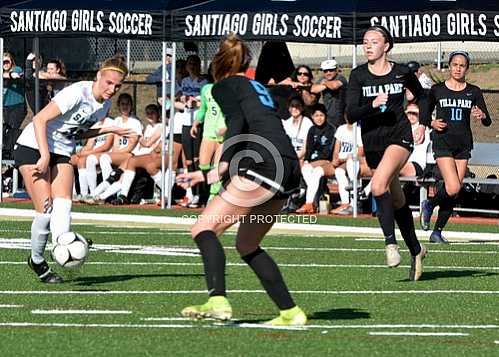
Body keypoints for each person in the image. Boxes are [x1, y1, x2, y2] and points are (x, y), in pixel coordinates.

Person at [176, 34, 307, 326]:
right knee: (247, 245)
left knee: (203, 227)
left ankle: (217, 300)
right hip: (287, 166)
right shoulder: (257, 85)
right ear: (246, 62)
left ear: (217, 64)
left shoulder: (223, 86)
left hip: (263, 164)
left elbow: (236, 123)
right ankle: (290, 312)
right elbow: (255, 122)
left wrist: (219, 168)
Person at [13, 55, 131, 283]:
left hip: (61, 150)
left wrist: (110, 131)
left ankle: (62, 244)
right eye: (109, 83)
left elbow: (76, 131)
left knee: (64, 202)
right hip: (33, 146)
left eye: (117, 86)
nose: (112, 89)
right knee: (45, 211)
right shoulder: (78, 92)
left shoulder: (105, 105)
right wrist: (45, 155)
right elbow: (39, 120)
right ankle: (37, 260)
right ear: (99, 76)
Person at [346, 25, 428, 281]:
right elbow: (350, 114)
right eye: (365, 41)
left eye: (373, 41)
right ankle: (416, 249)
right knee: (397, 200)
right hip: (373, 144)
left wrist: (423, 123)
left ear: (387, 46)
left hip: (399, 137)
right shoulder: (358, 75)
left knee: (378, 186)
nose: (367, 45)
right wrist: (371, 105)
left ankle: (390, 245)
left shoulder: (402, 73)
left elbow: (424, 97)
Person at [419, 51, 491, 244]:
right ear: (449, 66)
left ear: (467, 68)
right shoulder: (437, 89)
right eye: (455, 64)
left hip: (463, 144)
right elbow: (423, 115)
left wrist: (481, 116)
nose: (458, 68)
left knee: (454, 192)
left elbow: (487, 121)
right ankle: (430, 203)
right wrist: (431, 123)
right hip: (443, 143)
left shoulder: (473, 91)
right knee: (452, 187)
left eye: (462, 65)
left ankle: (437, 231)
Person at [191, 73, 227, 203]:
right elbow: (203, 109)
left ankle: (213, 196)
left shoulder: (230, 89)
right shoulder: (206, 89)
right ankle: (207, 192)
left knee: (218, 166)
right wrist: (195, 123)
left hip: (224, 134)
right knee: (203, 165)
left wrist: (227, 127)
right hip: (208, 132)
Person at [295, 104, 336, 214]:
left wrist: (313, 161)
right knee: (305, 169)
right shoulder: (312, 129)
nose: (319, 118)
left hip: (326, 161)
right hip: (313, 161)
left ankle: (309, 203)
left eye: (321, 115)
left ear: (325, 116)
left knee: (311, 170)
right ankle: (314, 199)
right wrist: (306, 160)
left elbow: (328, 151)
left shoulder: (330, 129)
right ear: (312, 117)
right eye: (316, 115)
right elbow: (309, 148)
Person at [330, 118, 371, 215]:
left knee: (350, 162)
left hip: (355, 161)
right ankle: (345, 203)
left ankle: (355, 203)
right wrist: (335, 159)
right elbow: (336, 148)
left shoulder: (359, 129)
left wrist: (345, 159)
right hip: (342, 160)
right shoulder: (341, 129)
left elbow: (361, 152)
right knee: (338, 171)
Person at [2, 52, 26, 160]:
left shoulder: (17, 69)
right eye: (3, 62)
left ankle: (11, 154)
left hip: (18, 105)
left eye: (7, 61)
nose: (5, 64)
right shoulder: (2, 73)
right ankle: (8, 153)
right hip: (5, 106)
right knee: (6, 129)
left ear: (11, 62)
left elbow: (16, 74)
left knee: (13, 129)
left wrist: (11, 75)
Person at [311, 59, 348, 128]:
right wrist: (327, 85)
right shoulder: (322, 78)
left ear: (336, 70)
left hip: (341, 117)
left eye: (331, 70)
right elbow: (313, 89)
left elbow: (334, 86)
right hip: (328, 116)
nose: (328, 73)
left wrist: (324, 83)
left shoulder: (341, 78)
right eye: (325, 71)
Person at [399, 103, 430, 178]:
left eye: (415, 113)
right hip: (403, 163)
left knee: (389, 169)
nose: (411, 116)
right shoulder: (403, 128)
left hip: (416, 165)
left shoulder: (422, 128)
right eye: (409, 113)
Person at [282, 96, 313, 163]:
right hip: (288, 156)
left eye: (297, 106)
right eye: (292, 106)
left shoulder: (307, 123)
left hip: (301, 157)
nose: (294, 109)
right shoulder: (286, 122)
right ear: (289, 108)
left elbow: (306, 147)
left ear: (302, 108)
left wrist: (295, 158)